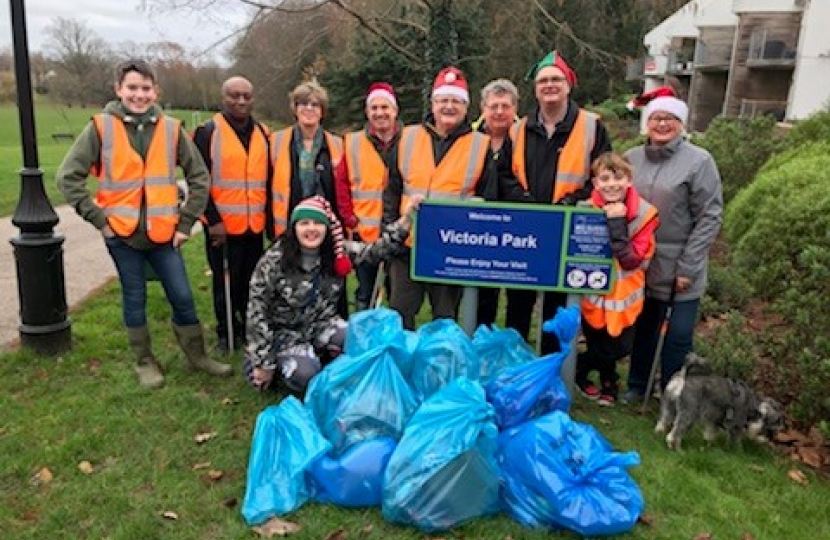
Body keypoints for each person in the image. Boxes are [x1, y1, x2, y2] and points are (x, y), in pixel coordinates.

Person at [56, 59, 232, 389]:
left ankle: (197, 356)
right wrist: (98, 220)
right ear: (118, 90)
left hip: (165, 235)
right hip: (122, 236)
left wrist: (185, 224)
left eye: (145, 88)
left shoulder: (171, 129)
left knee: (182, 295)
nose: (139, 95)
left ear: (156, 91)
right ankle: (144, 360)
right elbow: (67, 178)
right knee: (133, 297)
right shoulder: (101, 128)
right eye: (132, 88)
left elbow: (199, 176)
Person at [244, 195, 423, 394]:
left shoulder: (337, 251)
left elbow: (376, 251)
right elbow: (256, 312)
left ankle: (324, 357)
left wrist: (406, 219)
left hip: (321, 325)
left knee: (365, 341)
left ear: (327, 229)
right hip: (284, 336)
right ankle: (273, 370)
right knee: (307, 377)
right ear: (294, 228)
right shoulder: (275, 261)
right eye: (304, 223)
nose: (311, 229)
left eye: (318, 224)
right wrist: (263, 362)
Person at [497, 50, 613, 354]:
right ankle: (516, 367)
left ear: (568, 85)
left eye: (556, 80)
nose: (550, 85)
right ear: (535, 89)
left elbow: (604, 175)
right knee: (518, 306)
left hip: (567, 230)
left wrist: (570, 203)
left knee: (558, 308)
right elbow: (504, 174)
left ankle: (552, 370)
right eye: (543, 80)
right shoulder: (518, 129)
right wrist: (524, 202)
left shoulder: (591, 126)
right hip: (524, 229)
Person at [622, 94, 723, 403]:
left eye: (670, 118)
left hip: (681, 263)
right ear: (646, 123)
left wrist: (689, 266)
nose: (662, 123)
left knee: (678, 335)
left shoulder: (699, 161)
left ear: (681, 124)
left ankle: (671, 393)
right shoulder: (632, 158)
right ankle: (638, 385)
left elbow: (710, 215)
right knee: (645, 330)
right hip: (642, 262)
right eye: (655, 118)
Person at [386, 66, 497, 330]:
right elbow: (391, 188)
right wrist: (390, 231)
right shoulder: (407, 137)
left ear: (466, 106)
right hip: (407, 246)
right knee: (400, 314)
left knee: (445, 320)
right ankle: (403, 367)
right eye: (443, 100)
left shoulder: (481, 145)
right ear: (433, 104)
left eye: (455, 101)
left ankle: (439, 368)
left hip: (451, 250)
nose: (449, 106)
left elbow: (487, 199)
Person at [192, 76, 270, 353]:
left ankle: (249, 327)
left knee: (253, 282)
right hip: (222, 228)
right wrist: (212, 220)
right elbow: (197, 181)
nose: (240, 101)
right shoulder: (207, 132)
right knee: (225, 281)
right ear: (223, 98)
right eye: (234, 96)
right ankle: (226, 332)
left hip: (254, 225)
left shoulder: (263, 133)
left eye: (246, 96)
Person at [574, 153, 659, 406]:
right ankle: (608, 383)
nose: (612, 184)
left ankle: (577, 367)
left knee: (619, 346)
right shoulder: (585, 209)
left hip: (625, 294)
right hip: (593, 292)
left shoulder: (645, 214)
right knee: (597, 338)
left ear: (629, 180)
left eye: (619, 177)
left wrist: (617, 223)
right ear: (595, 183)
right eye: (605, 178)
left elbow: (631, 260)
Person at [269, 81, 346, 317]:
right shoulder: (276, 141)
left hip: (325, 223)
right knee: (290, 277)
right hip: (290, 222)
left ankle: (333, 327)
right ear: (294, 108)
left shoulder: (337, 144)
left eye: (315, 104)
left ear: (322, 110)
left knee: (329, 276)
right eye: (303, 103)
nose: (309, 109)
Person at [334, 82, 403, 311]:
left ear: (395, 110)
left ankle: (393, 339)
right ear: (367, 112)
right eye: (374, 108)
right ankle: (364, 337)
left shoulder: (410, 141)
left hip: (400, 232)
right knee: (365, 291)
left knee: (398, 293)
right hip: (365, 232)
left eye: (385, 107)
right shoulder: (352, 142)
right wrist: (349, 218)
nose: (379, 113)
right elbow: (341, 183)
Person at [473, 78, 520, 328]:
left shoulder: (525, 137)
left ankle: (515, 349)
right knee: (482, 295)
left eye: (505, 106)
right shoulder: (470, 139)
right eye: (493, 106)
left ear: (515, 108)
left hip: (518, 230)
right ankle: (481, 345)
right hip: (480, 230)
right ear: (483, 109)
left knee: (519, 296)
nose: (499, 112)